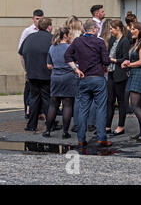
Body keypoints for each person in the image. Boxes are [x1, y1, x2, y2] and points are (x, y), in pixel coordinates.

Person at [64, 19, 112, 148]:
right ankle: (102, 138)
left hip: (83, 78)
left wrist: (76, 69)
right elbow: (106, 61)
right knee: (101, 108)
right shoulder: (100, 42)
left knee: (83, 109)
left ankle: (81, 139)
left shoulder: (77, 41)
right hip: (98, 78)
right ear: (94, 29)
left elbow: (67, 56)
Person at [42, 27, 78, 139]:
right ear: (65, 35)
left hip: (55, 78)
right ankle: (65, 132)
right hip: (68, 78)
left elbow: (48, 65)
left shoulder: (52, 47)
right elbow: (76, 62)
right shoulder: (70, 48)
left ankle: (48, 130)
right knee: (67, 105)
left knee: (53, 105)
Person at [19, 17, 53, 132]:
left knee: (34, 99)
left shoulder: (29, 37)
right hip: (46, 74)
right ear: (49, 27)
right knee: (47, 99)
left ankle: (31, 124)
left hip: (32, 74)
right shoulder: (51, 39)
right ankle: (50, 124)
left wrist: (26, 69)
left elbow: (22, 54)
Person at [18, 9, 44, 119]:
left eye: (41, 19)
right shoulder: (27, 31)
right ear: (33, 19)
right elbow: (21, 50)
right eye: (37, 19)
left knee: (42, 90)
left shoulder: (45, 30)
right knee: (29, 89)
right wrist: (25, 69)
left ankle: (40, 112)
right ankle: (28, 112)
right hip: (31, 65)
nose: (39, 21)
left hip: (42, 65)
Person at [106, 20, 130, 136]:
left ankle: (121, 126)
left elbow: (125, 59)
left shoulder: (124, 41)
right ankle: (107, 125)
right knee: (109, 100)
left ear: (118, 29)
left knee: (121, 101)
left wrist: (112, 60)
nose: (110, 31)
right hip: (110, 73)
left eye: (112, 28)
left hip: (120, 74)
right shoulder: (112, 40)